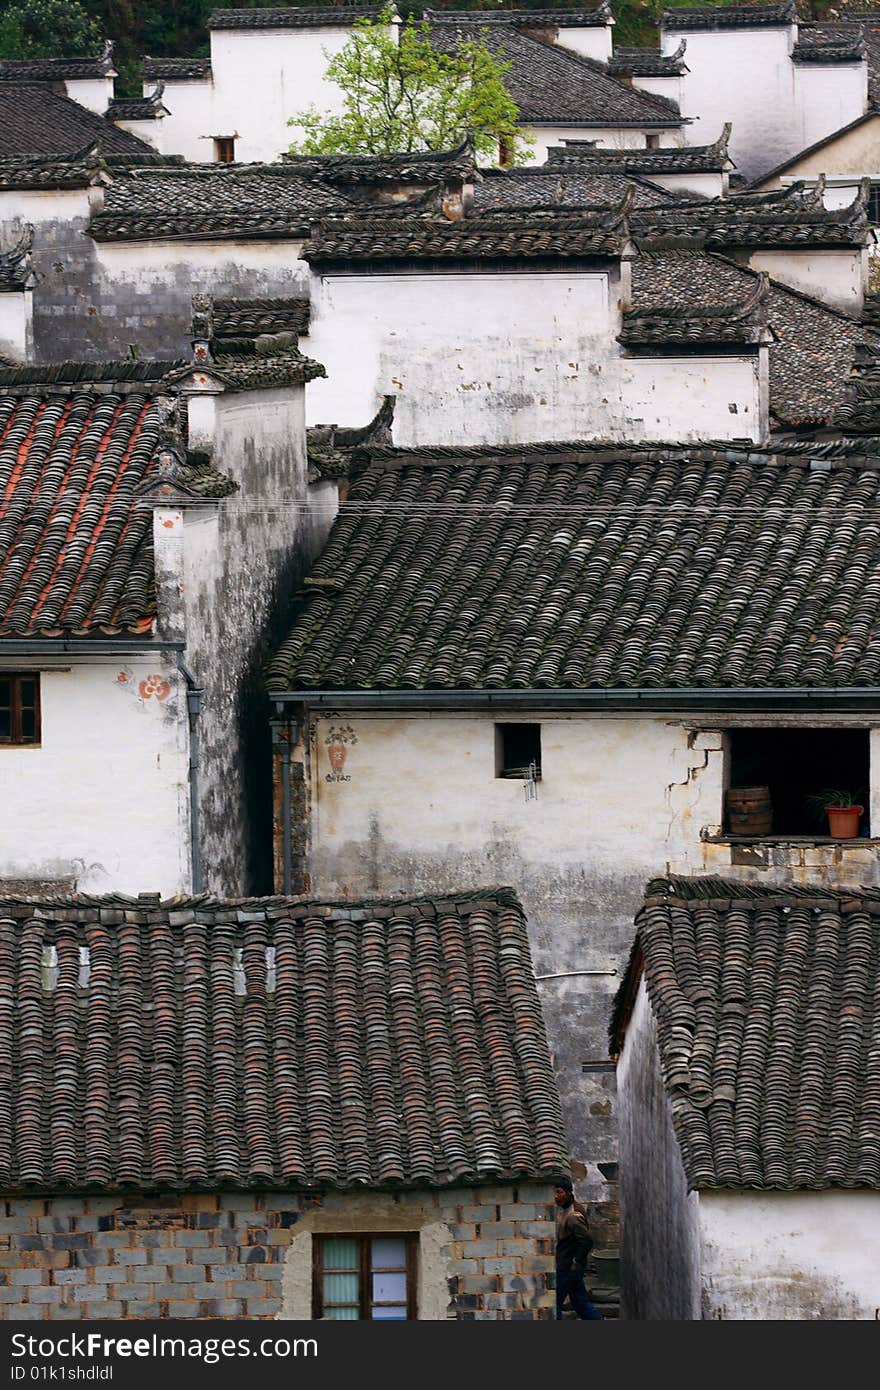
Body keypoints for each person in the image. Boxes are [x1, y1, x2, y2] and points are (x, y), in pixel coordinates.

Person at [554, 1177, 603, 1320]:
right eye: (555, 1193)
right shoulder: (567, 1209)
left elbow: (587, 1241)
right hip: (570, 1267)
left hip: (568, 1267)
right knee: (580, 1302)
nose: (556, 1196)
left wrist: (577, 1261)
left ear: (568, 1193)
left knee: (555, 1302)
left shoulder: (573, 1215)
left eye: (559, 1192)